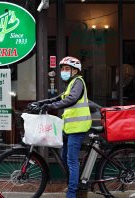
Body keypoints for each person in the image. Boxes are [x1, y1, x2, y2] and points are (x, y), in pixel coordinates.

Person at [31, 56, 92, 198]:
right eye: (62, 69)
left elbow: (71, 99)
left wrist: (50, 107)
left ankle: (72, 193)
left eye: (67, 69)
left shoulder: (78, 82)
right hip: (69, 128)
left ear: (75, 71)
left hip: (78, 127)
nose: (63, 71)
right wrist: (41, 102)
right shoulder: (70, 84)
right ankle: (75, 183)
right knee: (64, 157)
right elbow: (59, 97)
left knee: (71, 160)